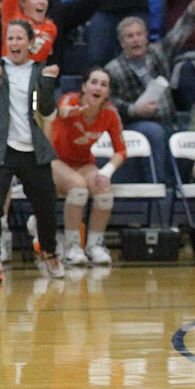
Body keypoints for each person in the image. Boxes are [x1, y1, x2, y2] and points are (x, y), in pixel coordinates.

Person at [0, 20, 62, 286]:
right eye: (9, 39)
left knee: (46, 204)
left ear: (30, 43)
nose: (14, 44)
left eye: (18, 38)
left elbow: (45, 111)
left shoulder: (39, 71)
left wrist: (48, 84)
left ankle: (48, 250)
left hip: (32, 150)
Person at [105, 0, 195, 183]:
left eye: (139, 34)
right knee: (155, 132)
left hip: (168, 120)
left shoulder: (158, 52)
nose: (136, 40)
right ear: (122, 42)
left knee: (188, 133)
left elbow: (180, 32)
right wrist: (135, 110)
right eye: (130, 36)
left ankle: (186, 186)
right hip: (135, 125)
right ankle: (160, 185)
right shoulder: (113, 68)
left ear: (146, 36)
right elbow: (108, 103)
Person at [50, 67, 125, 266]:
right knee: (78, 187)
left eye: (103, 84)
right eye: (93, 82)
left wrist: (106, 172)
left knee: (104, 190)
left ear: (107, 92)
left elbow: (121, 151)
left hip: (83, 163)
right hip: (54, 161)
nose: (98, 87)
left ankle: (95, 245)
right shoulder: (70, 100)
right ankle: (72, 246)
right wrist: (69, 112)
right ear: (84, 87)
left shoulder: (109, 113)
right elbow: (63, 110)